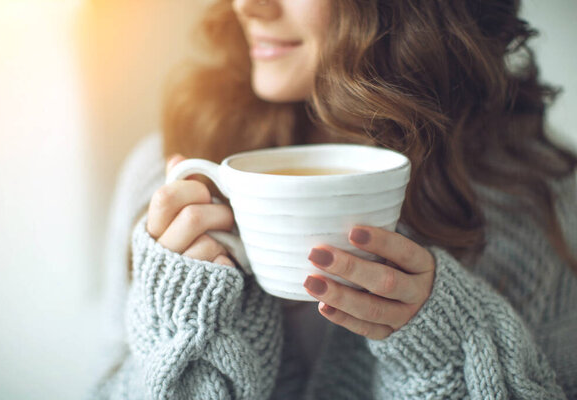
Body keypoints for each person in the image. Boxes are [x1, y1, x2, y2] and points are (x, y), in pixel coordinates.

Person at [90, 0, 577, 399]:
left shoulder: (538, 201)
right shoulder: (166, 179)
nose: (248, 7)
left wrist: (449, 345)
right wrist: (180, 334)